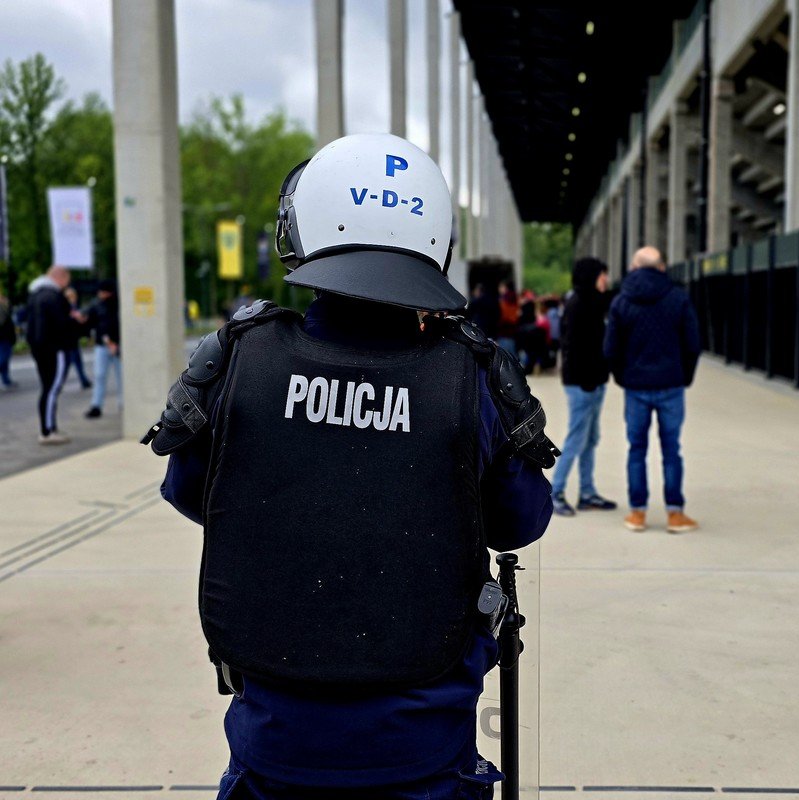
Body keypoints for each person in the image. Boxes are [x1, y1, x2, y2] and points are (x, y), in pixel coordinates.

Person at [143, 133, 556, 800]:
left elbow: (193, 493)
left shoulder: (240, 358)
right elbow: (521, 521)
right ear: (436, 239)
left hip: (274, 746)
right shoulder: (471, 377)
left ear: (304, 229)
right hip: (425, 751)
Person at [603, 246, 702, 533]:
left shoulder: (622, 301)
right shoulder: (678, 297)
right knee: (672, 450)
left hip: (636, 386)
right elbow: (693, 344)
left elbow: (610, 348)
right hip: (671, 384)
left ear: (634, 267)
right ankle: (675, 514)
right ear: (661, 267)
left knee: (637, 449)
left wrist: (623, 377)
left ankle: (638, 513)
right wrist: (684, 377)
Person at [551, 257, 618, 517]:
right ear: (592, 276)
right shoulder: (578, 304)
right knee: (576, 438)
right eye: (602, 274)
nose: (606, 279)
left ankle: (587, 492)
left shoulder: (595, 302)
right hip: (582, 383)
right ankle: (555, 492)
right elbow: (573, 348)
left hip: (595, 381)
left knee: (590, 439)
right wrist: (588, 380)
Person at [26, 266, 77, 444]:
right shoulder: (54, 296)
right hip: (55, 348)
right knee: (52, 389)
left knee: (47, 388)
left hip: (39, 348)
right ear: (61, 277)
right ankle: (47, 431)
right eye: (67, 279)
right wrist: (75, 321)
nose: (67, 284)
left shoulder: (35, 294)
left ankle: (49, 427)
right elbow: (61, 324)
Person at [84, 279, 121, 419]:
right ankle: (96, 405)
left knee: (121, 376)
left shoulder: (117, 304)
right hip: (103, 345)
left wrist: (114, 342)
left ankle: (123, 403)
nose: (99, 294)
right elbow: (92, 322)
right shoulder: (97, 305)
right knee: (100, 375)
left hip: (117, 345)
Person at [62, 286, 92, 390]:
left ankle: (83, 380)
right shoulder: (67, 308)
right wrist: (76, 318)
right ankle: (83, 381)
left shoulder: (73, 307)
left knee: (73, 361)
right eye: (71, 296)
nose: (74, 298)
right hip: (68, 338)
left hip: (72, 337)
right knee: (70, 362)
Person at [0, 287, 17, 391]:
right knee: (3, 358)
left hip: (7, 335)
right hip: (3, 336)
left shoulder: (4, 303)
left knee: (5, 360)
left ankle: (6, 380)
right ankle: (6, 380)